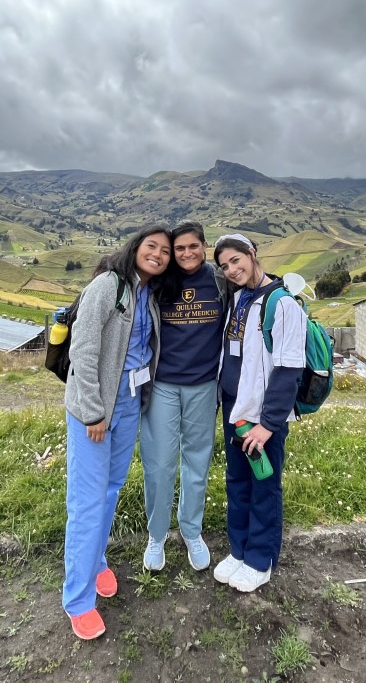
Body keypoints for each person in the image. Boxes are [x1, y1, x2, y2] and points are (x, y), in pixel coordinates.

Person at [62, 223, 172, 640]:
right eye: (152, 246)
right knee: (88, 499)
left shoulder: (148, 294)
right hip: (97, 409)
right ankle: (78, 598)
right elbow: (84, 348)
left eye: (165, 251)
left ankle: (96, 562)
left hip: (129, 404)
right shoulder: (109, 285)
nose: (159, 254)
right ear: (136, 247)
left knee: (111, 488)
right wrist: (92, 412)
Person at [211, 233, 305, 593]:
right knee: (237, 481)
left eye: (236, 260)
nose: (232, 269)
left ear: (252, 254)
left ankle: (260, 560)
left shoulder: (281, 305)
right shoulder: (237, 299)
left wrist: (268, 424)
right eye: (225, 265)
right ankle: (239, 550)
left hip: (261, 418)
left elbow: (288, 369)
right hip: (235, 411)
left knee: (264, 484)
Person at [140, 220, 227, 573]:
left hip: (204, 386)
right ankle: (156, 536)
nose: (187, 253)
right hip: (162, 384)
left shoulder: (220, 281)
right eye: (179, 248)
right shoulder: (160, 282)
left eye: (193, 246)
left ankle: (192, 531)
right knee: (159, 465)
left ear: (204, 247)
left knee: (197, 464)